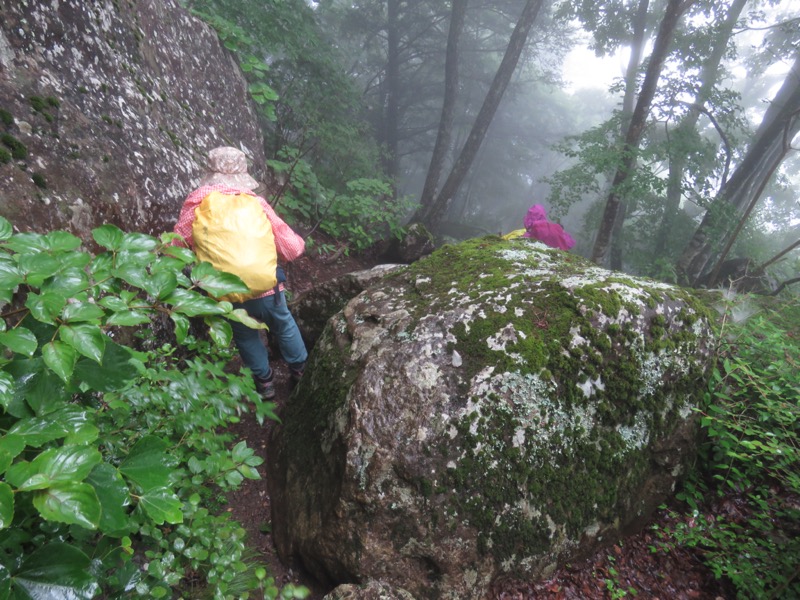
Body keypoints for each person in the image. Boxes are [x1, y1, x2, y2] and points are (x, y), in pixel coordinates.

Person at [173, 146, 307, 399]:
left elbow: (176, 244)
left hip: (227, 291)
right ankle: (299, 371)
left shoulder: (197, 203)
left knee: (245, 336)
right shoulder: (257, 203)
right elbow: (292, 248)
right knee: (284, 324)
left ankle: (264, 384)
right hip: (268, 290)